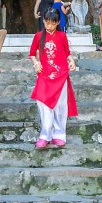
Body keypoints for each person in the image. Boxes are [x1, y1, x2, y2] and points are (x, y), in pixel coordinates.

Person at [29, 8, 78, 148]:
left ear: (57, 23)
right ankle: (45, 135)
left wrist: (72, 61)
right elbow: (32, 53)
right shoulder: (38, 36)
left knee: (60, 105)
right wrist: (36, 63)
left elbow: (67, 53)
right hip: (44, 74)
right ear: (43, 21)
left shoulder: (62, 36)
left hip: (60, 74)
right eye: (47, 22)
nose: (49, 26)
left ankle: (59, 135)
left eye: (52, 23)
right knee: (43, 103)